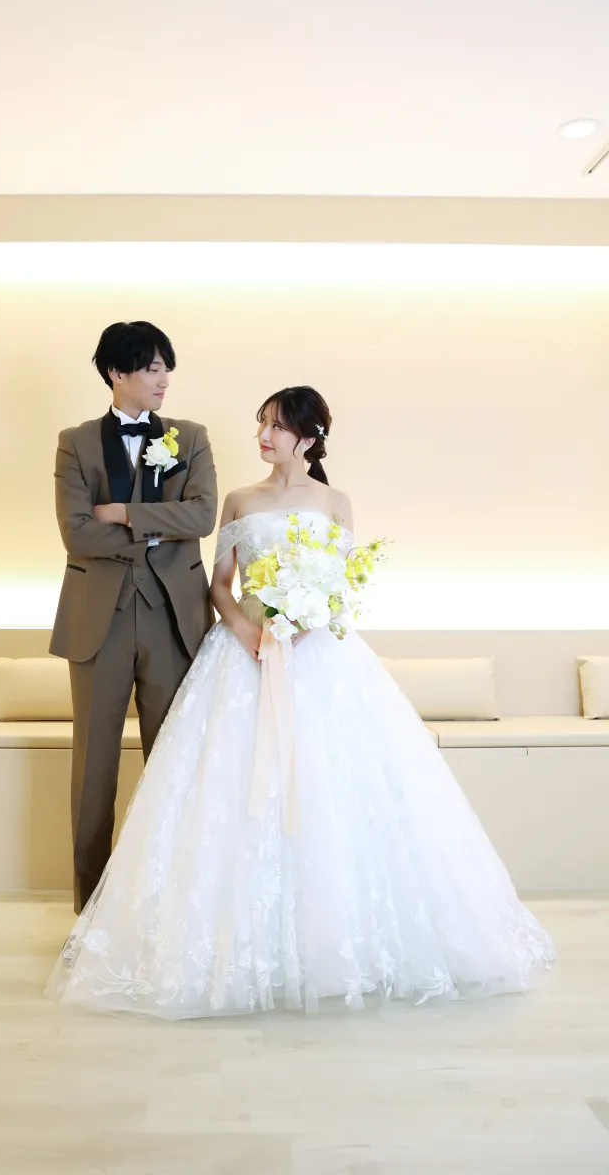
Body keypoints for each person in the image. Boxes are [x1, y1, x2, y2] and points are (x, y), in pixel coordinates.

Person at [46, 385, 555, 1017]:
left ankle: (330, 942)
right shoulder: (239, 499)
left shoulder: (335, 502)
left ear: (308, 439)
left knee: (330, 789)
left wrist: (308, 620)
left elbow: (342, 587)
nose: (263, 436)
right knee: (228, 790)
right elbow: (220, 585)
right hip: (243, 656)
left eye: (277, 427)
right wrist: (247, 631)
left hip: (319, 657)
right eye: (261, 424)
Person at [49, 321, 217, 911]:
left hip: (175, 618)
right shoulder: (75, 442)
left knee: (172, 765)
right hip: (99, 621)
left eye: (166, 368)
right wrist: (155, 530)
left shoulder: (189, 437)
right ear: (116, 373)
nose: (163, 380)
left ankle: (168, 908)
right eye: (151, 369)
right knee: (93, 769)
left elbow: (202, 518)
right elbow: (76, 534)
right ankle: (89, 910)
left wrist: (123, 512)